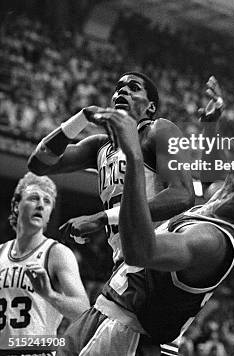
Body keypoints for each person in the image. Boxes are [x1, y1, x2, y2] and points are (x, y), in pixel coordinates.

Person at [57, 107, 234, 355]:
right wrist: (211, 126)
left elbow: (139, 252)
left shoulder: (210, 240)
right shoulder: (217, 206)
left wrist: (134, 157)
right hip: (109, 312)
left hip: (125, 333)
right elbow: (209, 176)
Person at [28, 71, 196, 265]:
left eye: (133, 88)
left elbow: (183, 194)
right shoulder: (99, 146)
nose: (122, 91)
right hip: (125, 259)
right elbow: (39, 164)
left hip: (160, 251)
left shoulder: (160, 130)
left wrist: (103, 218)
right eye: (118, 89)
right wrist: (82, 117)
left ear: (150, 107)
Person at [0, 172, 89, 356]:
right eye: (34, 198)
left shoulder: (57, 253)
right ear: (16, 205)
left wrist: (49, 295)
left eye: (47, 201)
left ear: (49, 215)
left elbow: (83, 312)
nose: (41, 204)